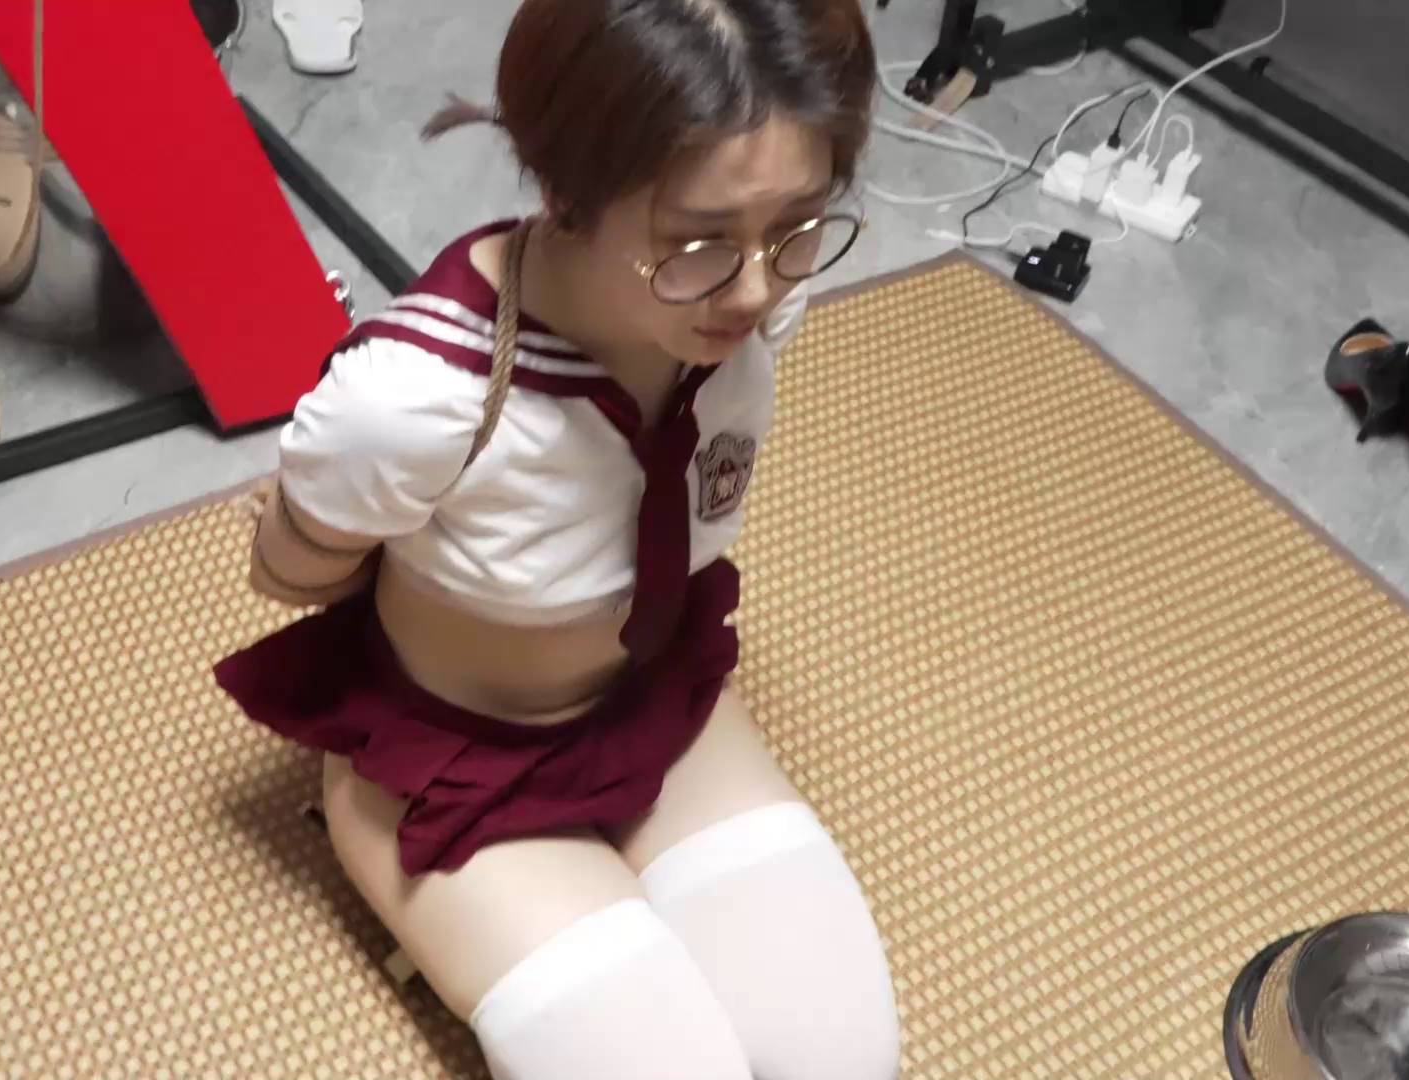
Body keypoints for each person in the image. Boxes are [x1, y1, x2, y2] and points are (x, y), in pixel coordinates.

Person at [214, 2, 901, 1077]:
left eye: (798, 226)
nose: (757, 286)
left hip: (654, 698)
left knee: (839, 1061)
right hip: (457, 753)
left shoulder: (758, 299)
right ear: (565, 188)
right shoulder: (414, 397)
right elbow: (293, 573)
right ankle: (379, 826)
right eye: (698, 243)